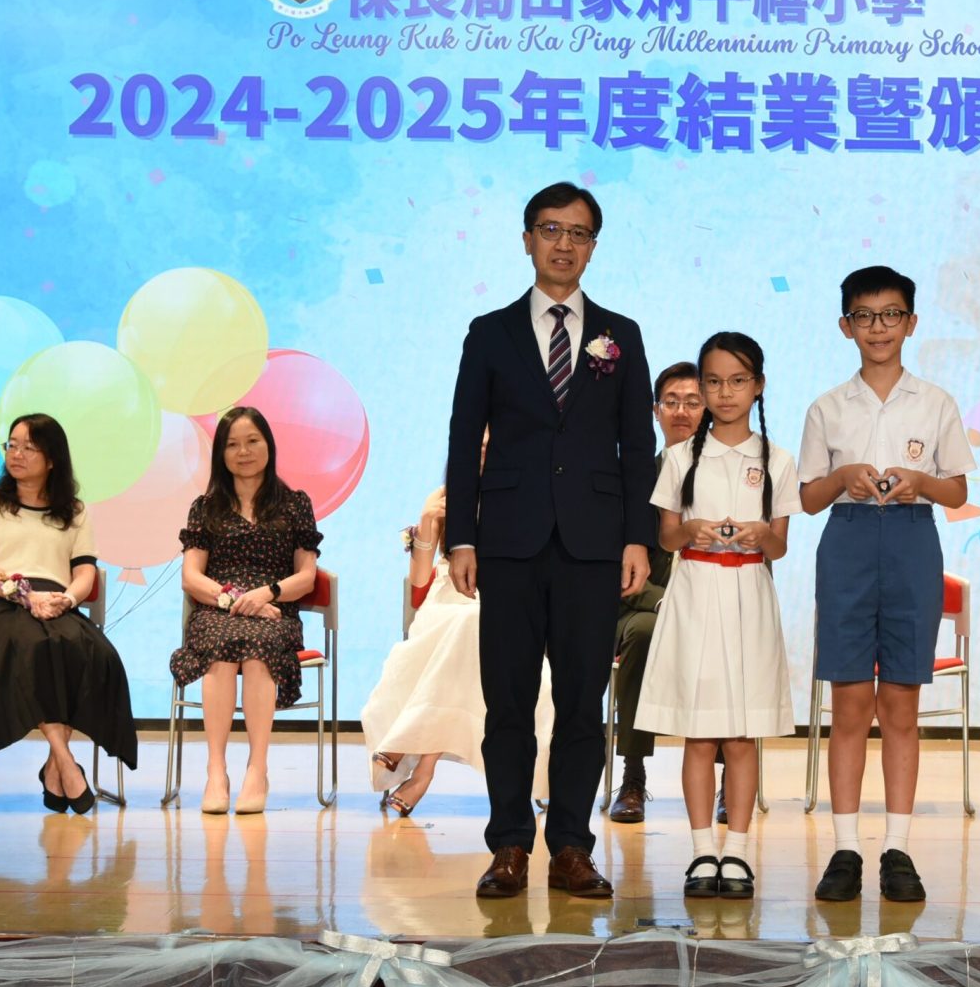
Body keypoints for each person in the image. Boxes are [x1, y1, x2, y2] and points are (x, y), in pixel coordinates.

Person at [445, 181, 655, 900]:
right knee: (507, 703)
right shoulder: (490, 332)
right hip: (507, 542)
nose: (565, 244)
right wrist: (462, 537)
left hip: (593, 545)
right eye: (551, 229)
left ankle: (570, 846)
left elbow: (637, 446)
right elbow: (463, 437)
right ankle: (509, 844)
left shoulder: (620, 334)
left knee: (580, 704)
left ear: (593, 246)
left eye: (579, 233)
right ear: (527, 239)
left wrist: (637, 538)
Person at [798, 266, 970, 904]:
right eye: (865, 316)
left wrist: (919, 482)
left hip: (911, 540)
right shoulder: (826, 406)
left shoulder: (936, 402)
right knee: (849, 704)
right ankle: (845, 848)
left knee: (900, 703)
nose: (879, 327)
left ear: (911, 323)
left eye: (891, 314)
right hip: (845, 540)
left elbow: (958, 491)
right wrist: (843, 478)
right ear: (846, 326)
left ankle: (898, 848)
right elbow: (807, 499)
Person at [635, 332, 800, 899]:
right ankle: (703, 851)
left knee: (741, 735)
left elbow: (779, 545)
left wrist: (757, 535)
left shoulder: (777, 459)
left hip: (749, 592)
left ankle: (739, 853)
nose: (725, 393)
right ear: (702, 388)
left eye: (737, 381)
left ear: (758, 386)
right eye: (714, 382)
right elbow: (666, 536)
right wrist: (691, 530)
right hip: (696, 592)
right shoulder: (680, 458)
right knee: (700, 734)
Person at [0, 413, 137, 812]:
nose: (17, 454)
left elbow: (85, 573)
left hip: (57, 606)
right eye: (12, 445)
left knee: (93, 654)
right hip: (1, 604)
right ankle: (65, 762)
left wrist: (66, 600)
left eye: (29, 447)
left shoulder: (75, 511)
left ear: (52, 459)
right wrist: (23, 595)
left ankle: (54, 767)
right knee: (36, 648)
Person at [361, 478, 554, 817]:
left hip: (501, 600)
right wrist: (427, 521)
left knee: (474, 625)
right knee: (469, 628)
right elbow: (419, 583)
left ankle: (418, 762)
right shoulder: (445, 497)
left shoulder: (527, 491)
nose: (484, 452)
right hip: (444, 605)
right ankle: (422, 769)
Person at [172, 406, 322, 815]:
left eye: (252, 441)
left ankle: (258, 769)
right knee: (222, 648)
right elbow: (191, 577)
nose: (243, 452)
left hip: (275, 611)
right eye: (233, 444)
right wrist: (235, 600)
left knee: (258, 651)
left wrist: (266, 594)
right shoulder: (205, 507)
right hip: (217, 609)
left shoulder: (295, 504)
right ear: (220, 453)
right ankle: (216, 771)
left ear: (268, 445)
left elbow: (306, 577)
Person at [607, 361, 703, 824]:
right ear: (655, 411)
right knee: (646, 632)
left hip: (711, 605)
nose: (681, 411)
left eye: (693, 402)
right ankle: (633, 775)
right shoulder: (633, 478)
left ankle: (729, 781)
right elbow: (616, 567)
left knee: (727, 635)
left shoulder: (730, 472)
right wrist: (666, 602)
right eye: (672, 402)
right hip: (641, 607)